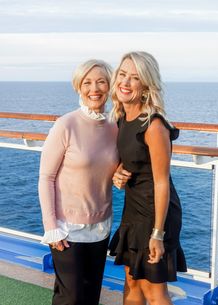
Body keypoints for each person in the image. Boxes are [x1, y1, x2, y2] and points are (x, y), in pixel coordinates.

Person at [38, 59, 124, 305]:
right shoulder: (66, 124)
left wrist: (120, 171)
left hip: (100, 226)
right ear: (78, 86)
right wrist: (51, 226)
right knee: (71, 297)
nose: (94, 88)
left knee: (90, 295)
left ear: (110, 87)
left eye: (101, 82)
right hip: (67, 228)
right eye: (87, 82)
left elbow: (113, 163)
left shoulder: (114, 125)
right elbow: (46, 177)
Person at [109, 51, 187, 305]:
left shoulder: (154, 125)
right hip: (133, 209)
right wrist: (118, 171)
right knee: (131, 280)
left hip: (156, 213)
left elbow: (162, 181)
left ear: (145, 85)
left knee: (154, 290)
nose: (125, 82)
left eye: (134, 78)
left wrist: (158, 233)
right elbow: (133, 156)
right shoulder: (122, 118)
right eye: (122, 75)